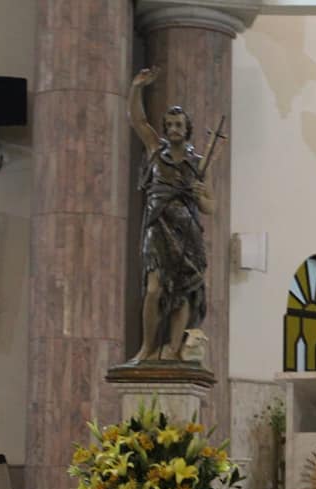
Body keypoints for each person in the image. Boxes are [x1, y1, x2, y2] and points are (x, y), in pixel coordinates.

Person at [128, 66, 215, 362]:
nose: (174, 128)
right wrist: (136, 88)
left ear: (187, 128)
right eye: (169, 124)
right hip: (157, 226)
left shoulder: (198, 163)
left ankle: (173, 349)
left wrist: (200, 195)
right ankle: (147, 347)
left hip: (186, 230)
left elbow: (210, 207)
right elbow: (138, 121)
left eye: (179, 124)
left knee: (183, 291)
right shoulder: (155, 149)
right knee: (154, 289)